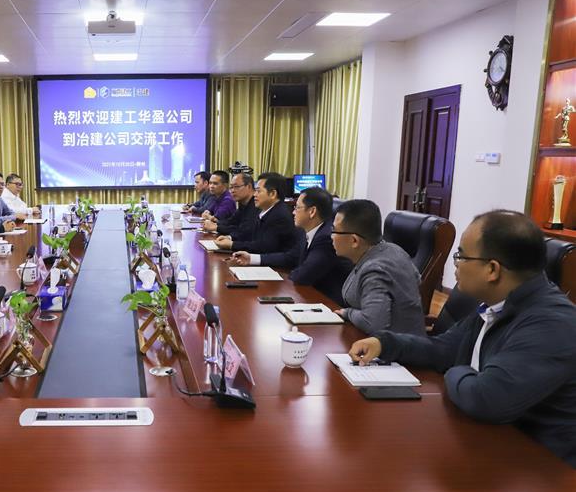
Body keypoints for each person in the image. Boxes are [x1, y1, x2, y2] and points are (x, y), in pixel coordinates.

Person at [349, 210, 576, 466]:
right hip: (490, 444)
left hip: (542, 471)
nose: (455, 264)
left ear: (492, 269)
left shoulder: (552, 324)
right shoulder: (497, 304)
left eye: (461, 256)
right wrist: (385, 343)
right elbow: (443, 349)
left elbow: (486, 398)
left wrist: (457, 370)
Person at [229, 187, 350, 303]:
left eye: (297, 207)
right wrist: (251, 258)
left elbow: (303, 275)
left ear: (312, 211)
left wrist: (280, 276)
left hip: (328, 302)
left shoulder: (326, 238)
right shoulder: (306, 231)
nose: (293, 212)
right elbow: (290, 257)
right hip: (308, 294)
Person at [332, 199, 425, 335]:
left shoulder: (375, 269)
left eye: (334, 231)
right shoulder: (393, 249)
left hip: (397, 346)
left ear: (354, 241)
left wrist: (348, 313)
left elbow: (373, 324)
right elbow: (417, 280)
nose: (331, 236)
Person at [217, 174, 300, 263]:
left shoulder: (279, 215)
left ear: (272, 194)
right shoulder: (265, 210)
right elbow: (249, 234)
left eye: (258, 191)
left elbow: (264, 247)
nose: (254, 194)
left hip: (275, 266)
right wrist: (230, 239)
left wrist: (232, 245)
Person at [203, 172, 257, 239]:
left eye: (236, 187)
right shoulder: (242, 204)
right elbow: (231, 222)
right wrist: (215, 224)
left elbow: (244, 230)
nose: (232, 191)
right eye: (231, 187)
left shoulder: (257, 204)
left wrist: (217, 227)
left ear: (249, 186)